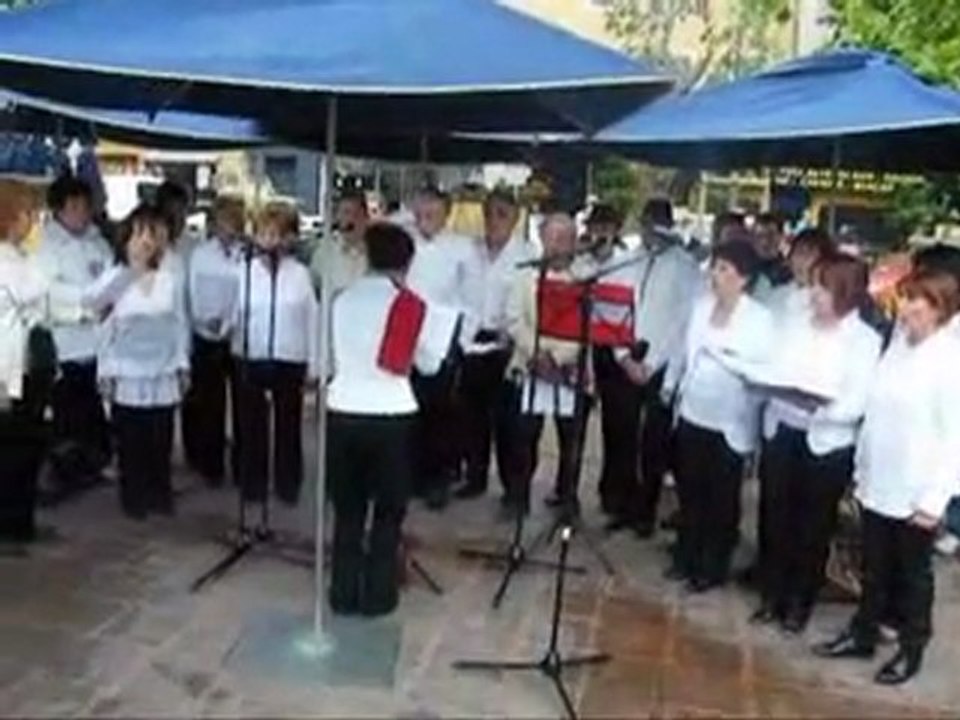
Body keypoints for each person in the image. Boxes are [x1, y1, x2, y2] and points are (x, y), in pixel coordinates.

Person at [813, 269, 960, 685]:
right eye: (907, 297)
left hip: (917, 489)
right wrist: (863, 468)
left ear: (941, 310)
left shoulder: (950, 361)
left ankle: (911, 648)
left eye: (919, 302)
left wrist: (935, 499)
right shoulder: (898, 345)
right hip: (880, 478)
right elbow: (876, 413)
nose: (908, 308)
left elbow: (955, 439)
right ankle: (863, 631)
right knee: (873, 566)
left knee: (912, 576)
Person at [327, 222, 458, 617]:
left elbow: (333, 356)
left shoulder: (342, 299)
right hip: (391, 415)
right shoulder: (411, 304)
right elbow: (430, 365)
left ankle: (343, 592)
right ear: (408, 261)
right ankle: (379, 595)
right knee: (388, 512)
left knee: (348, 511)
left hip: (344, 408)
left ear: (367, 256)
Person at [752, 253, 882, 633]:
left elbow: (857, 400)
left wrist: (818, 407)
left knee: (812, 526)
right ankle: (771, 594)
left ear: (845, 292)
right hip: (783, 427)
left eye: (823, 288)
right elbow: (774, 364)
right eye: (814, 285)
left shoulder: (864, 340)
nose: (814, 295)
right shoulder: (795, 324)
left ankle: (799, 601)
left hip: (826, 441)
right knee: (774, 516)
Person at [663, 240, 774, 592]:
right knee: (691, 490)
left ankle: (713, 566)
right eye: (715, 266)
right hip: (694, 410)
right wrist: (671, 385)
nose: (716, 274)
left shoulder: (759, 318)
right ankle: (686, 556)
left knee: (721, 496)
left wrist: (728, 357)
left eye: (725, 269)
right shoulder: (700, 307)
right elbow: (684, 350)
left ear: (744, 278)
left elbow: (763, 368)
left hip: (730, 418)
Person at [84, 205, 190, 519]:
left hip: (163, 371)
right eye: (140, 234)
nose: (146, 242)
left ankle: (160, 493)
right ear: (127, 239)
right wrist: (105, 370)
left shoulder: (168, 279)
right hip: (126, 371)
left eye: (152, 236)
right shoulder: (114, 277)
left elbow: (178, 324)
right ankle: (134, 497)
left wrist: (183, 365)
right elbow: (101, 324)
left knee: (160, 435)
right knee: (132, 438)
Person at [613, 198, 703, 537]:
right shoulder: (628, 260)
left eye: (658, 222)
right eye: (646, 221)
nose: (651, 229)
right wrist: (623, 355)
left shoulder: (685, 267)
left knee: (653, 442)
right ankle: (623, 503)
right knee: (621, 435)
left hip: (660, 365)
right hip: (626, 360)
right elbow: (613, 307)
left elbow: (683, 324)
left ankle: (646, 511)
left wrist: (652, 364)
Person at [232, 202, 319, 512]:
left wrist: (315, 364)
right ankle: (252, 484)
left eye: (277, 235)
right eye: (264, 234)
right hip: (252, 354)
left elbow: (312, 318)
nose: (270, 241)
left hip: (289, 357)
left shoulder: (300, 275)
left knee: (288, 423)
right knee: (252, 424)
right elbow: (234, 313)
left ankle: (287, 483)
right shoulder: (244, 271)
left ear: (289, 239)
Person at [507, 213, 591, 514]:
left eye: (565, 238)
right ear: (542, 238)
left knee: (571, 441)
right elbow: (514, 320)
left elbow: (587, 327)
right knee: (524, 438)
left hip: (568, 369)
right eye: (553, 238)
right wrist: (537, 354)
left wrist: (557, 359)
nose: (558, 245)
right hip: (531, 364)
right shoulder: (524, 276)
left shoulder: (584, 278)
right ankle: (518, 497)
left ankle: (566, 496)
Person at [33, 174, 114, 486]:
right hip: (65, 343)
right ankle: (67, 471)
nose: (82, 212)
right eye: (75, 206)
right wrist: (82, 306)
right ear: (59, 209)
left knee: (94, 411)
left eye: (85, 205)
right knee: (68, 413)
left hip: (99, 343)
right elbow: (46, 291)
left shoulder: (97, 241)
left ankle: (94, 464)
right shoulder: (45, 245)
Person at [455, 189, 530, 502]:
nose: (493, 221)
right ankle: (475, 477)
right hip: (473, 341)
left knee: (508, 425)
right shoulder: (470, 250)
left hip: (506, 345)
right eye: (489, 213)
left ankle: (513, 490)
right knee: (472, 418)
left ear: (515, 219)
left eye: (502, 214)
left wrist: (514, 337)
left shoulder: (526, 255)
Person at [405, 186, 471, 510]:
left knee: (442, 413)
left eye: (432, 212)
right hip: (409, 336)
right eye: (421, 212)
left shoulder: (461, 247)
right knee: (409, 410)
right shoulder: (405, 244)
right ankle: (412, 476)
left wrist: (463, 339)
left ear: (446, 213)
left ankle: (438, 480)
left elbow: (469, 296)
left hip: (445, 336)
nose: (425, 218)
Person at [580, 204, 642, 525]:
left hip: (617, 349)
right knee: (584, 424)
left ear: (616, 231)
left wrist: (623, 352)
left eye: (607, 227)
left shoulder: (628, 264)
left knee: (621, 427)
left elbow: (629, 310)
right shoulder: (582, 262)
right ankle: (574, 492)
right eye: (596, 227)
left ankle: (621, 496)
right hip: (587, 348)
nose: (600, 233)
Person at [182, 194, 245, 486]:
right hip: (206, 333)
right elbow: (193, 292)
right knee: (210, 404)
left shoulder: (247, 254)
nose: (229, 226)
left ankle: (243, 466)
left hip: (240, 335)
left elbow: (247, 292)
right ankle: (211, 466)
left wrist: (231, 321)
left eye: (234, 220)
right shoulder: (200, 254)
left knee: (244, 405)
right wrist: (204, 320)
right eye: (224, 220)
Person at [0, 180, 50, 547]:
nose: (33, 221)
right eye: (28, 214)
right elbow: (35, 290)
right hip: (7, 369)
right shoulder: (9, 260)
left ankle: (19, 521)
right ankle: (12, 525)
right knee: (14, 448)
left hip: (22, 366)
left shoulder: (17, 257)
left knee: (23, 446)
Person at [309, 189, 369, 296]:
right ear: (337, 217)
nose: (351, 219)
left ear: (365, 218)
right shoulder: (324, 252)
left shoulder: (376, 253)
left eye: (356, 214)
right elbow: (313, 288)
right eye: (346, 213)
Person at [751, 212, 792, 305]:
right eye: (759, 235)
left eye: (771, 235)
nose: (765, 241)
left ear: (781, 237)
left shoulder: (790, 271)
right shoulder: (744, 271)